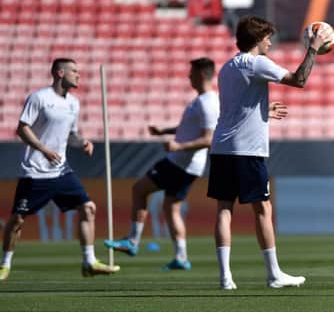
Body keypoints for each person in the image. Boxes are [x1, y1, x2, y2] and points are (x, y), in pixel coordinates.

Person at [207, 15, 331, 290]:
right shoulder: (257, 63)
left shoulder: (227, 67)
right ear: (258, 40)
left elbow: (237, 108)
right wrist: (313, 48)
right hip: (247, 150)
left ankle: (225, 277)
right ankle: (274, 274)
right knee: (262, 208)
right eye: (267, 38)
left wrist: (264, 110)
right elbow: (299, 80)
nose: (270, 43)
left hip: (222, 147)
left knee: (224, 209)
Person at [0, 58, 120, 281]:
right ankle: (4, 265)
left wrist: (83, 142)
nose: (78, 75)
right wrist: (43, 149)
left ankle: (89, 261)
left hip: (61, 170)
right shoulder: (39, 98)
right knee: (17, 220)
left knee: (88, 208)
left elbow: (70, 135)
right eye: (74, 70)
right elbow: (22, 129)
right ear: (59, 72)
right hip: (35, 172)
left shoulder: (74, 103)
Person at [104, 58, 219, 271]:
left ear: (202, 74)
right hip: (189, 165)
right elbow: (188, 128)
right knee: (171, 207)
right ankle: (181, 257)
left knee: (139, 189)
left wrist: (178, 147)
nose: (188, 76)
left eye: (191, 73)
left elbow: (209, 139)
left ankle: (132, 241)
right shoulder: (202, 100)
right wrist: (164, 131)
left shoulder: (208, 102)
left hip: (181, 162)